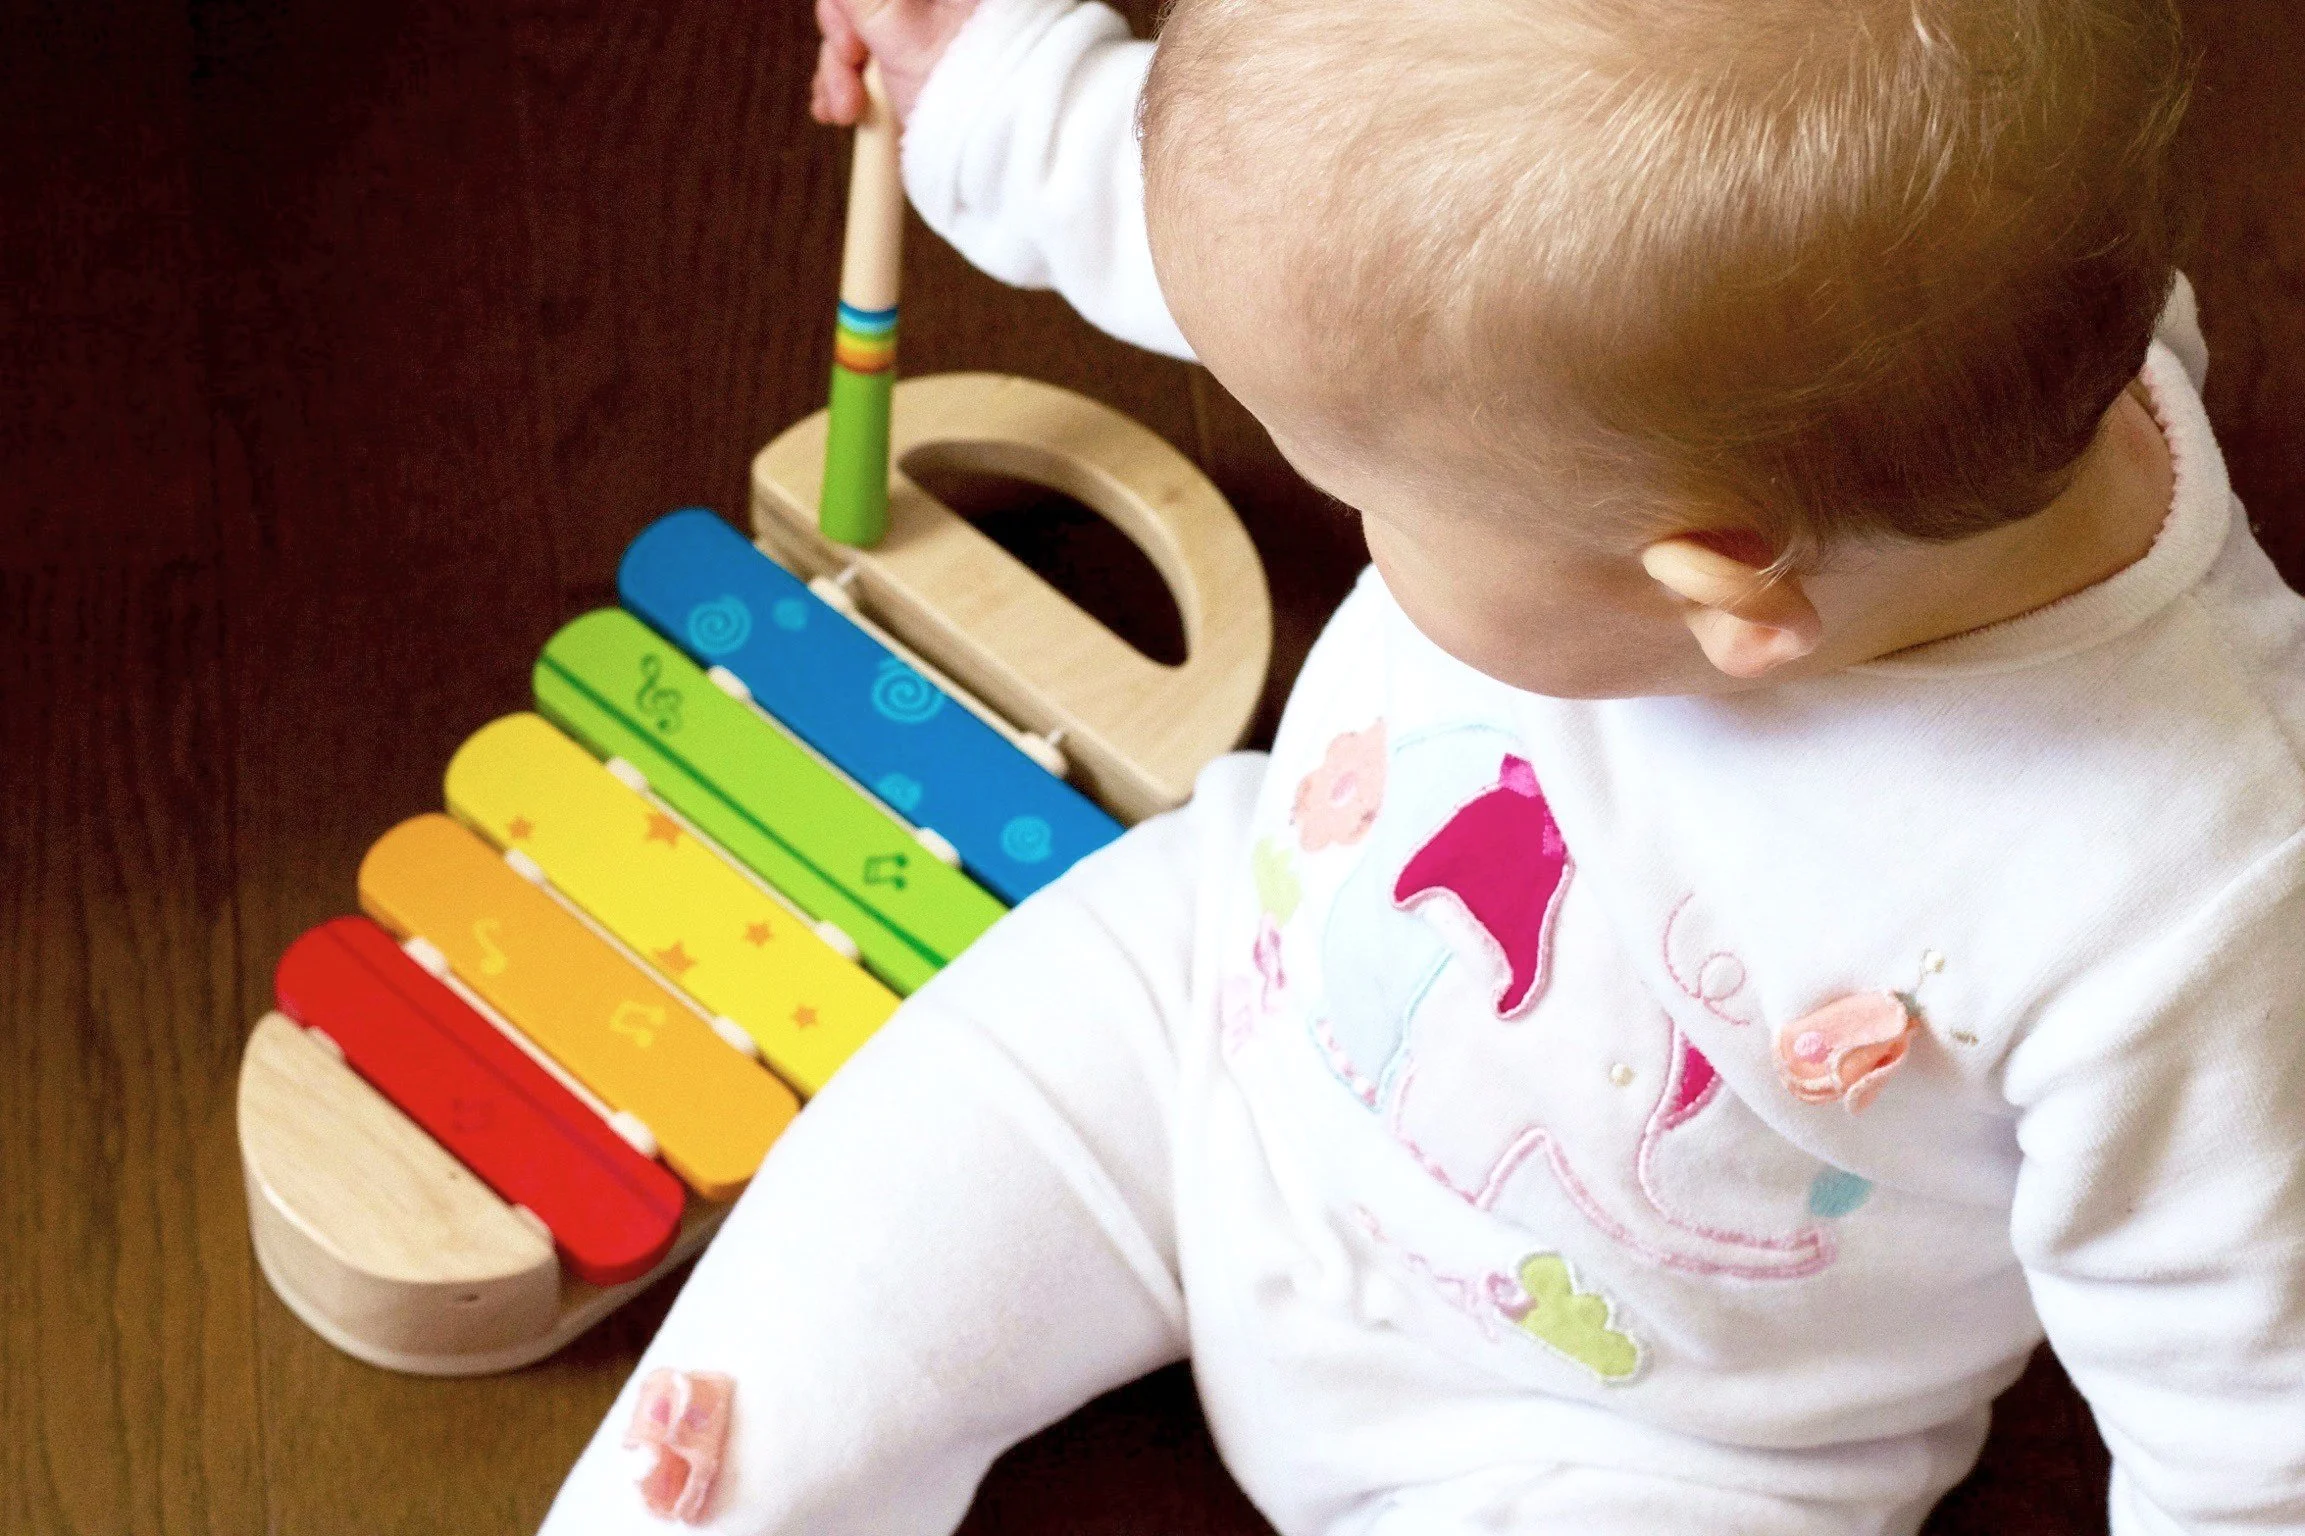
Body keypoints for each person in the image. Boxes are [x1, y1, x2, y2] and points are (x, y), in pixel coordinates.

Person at [543, 0, 2305, 1528]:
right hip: (1206, 1025)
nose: (1359, 516)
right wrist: (998, 84)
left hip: (1638, 1442)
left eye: (1377, 496)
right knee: (781, 1360)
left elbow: (2251, 1436)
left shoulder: (2191, 906)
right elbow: (1327, 243)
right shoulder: (1903, 337)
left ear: (1713, 592)